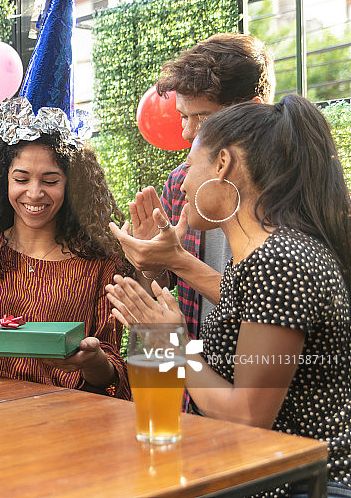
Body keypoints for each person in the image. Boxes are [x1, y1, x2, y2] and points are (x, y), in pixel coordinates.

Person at [106, 95, 351, 494]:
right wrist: (169, 264)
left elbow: (249, 415)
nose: (182, 181)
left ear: (222, 164)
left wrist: (175, 346)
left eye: (190, 163)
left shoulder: (281, 260)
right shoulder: (262, 255)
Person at [0, 97, 129, 399]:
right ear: (3, 181)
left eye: (50, 180)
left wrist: (94, 361)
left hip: (70, 424)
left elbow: (110, 374)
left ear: (72, 185)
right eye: (21, 178)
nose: (34, 193)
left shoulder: (102, 263)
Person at [112, 33, 275, 340]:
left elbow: (270, 305)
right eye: (184, 116)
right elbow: (161, 287)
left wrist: (177, 260)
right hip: (197, 377)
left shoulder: (292, 189)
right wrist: (151, 262)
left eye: (204, 117)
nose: (187, 132)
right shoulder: (180, 184)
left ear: (252, 110)